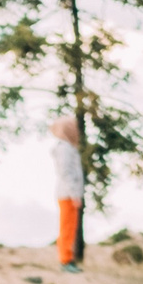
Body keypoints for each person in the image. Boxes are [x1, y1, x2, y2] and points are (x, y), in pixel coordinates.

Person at [51, 117, 85, 273]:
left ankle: (67, 259)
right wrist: (74, 194)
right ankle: (65, 261)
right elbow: (66, 172)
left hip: (69, 194)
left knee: (70, 228)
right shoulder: (64, 148)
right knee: (67, 227)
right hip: (67, 194)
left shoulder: (67, 147)